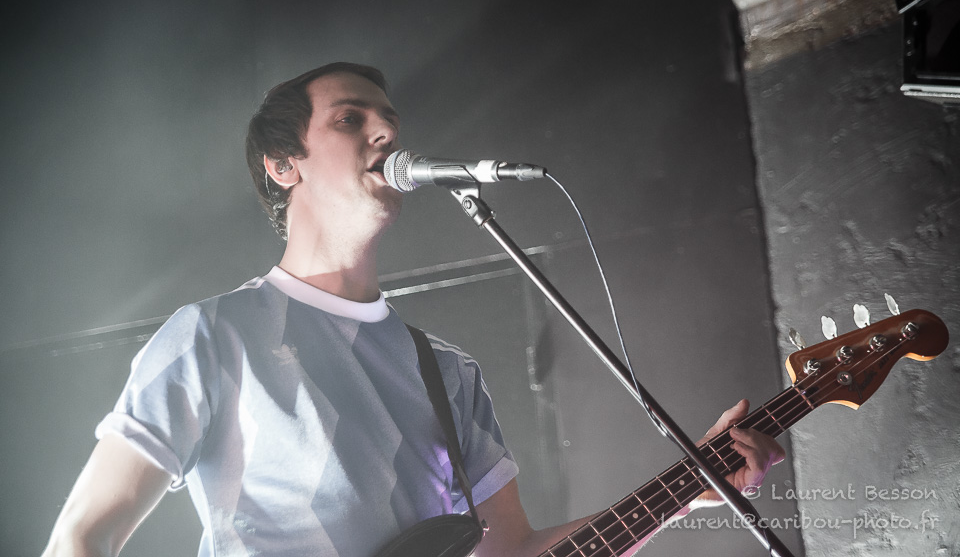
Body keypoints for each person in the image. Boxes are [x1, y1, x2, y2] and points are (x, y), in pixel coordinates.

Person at [42, 63, 785, 557]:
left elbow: (514, 551)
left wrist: (690, 488)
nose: (386, 132)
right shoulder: (212, 336)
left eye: (389, 119)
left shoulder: (450, 374)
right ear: (282, 164)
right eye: (349, 119)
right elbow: (82, 536)